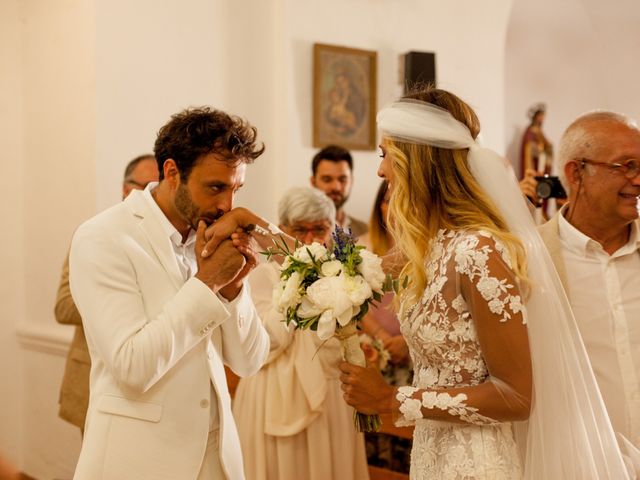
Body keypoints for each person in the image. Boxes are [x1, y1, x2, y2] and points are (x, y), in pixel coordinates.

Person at [336, 87, 631, 479]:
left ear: (417, 159)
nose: (380, 169)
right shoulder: (431, 247)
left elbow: (516, 395)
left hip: (478, 463)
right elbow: (342, 267)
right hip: (433, 454)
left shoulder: (477, 250)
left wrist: (393, 398)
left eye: (385, 153)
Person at [68, 107, 269, 480]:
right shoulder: (104, 237)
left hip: (217, 461)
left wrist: (235, 287)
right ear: (173, 172)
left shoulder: (215, 237)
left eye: (235, 188)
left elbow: (249, 363)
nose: (227, 205)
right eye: (215, 187)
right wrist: (207, 283)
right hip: (139, 461)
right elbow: (132, 367)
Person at [232, 186, 369, 480]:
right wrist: (298, 284)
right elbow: (266, 343)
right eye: (299, 230)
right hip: (270, 391)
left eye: (319, 229)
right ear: (282, 230)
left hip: (330, 392)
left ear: (333, 229)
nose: (309, 240)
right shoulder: (259, 272)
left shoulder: (342, 272)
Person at [538, 111, 640, 468]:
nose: (638, 179)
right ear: (576, 173)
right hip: (578, 464)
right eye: (627, 165)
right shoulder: (529, 259)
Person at [55, 154, 158, 433]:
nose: (155, 194)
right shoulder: (95, 235)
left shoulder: (168, 242)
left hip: (151, 388)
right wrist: (119, 298)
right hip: (93, 378)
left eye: (160, 186)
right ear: (126, 189)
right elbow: (63, 307)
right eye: (148, 185)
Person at [359, 180, 412, 474]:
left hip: (412, 351)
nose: (393, 207)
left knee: (407, 432)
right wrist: (380, 337)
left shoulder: (424, 250)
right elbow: (355, 305)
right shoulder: (363, 247)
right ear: (379, 206)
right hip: (374, 349)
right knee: (376, 433)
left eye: (400, 200)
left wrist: (406, 341)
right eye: (387, 200)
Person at [310, 145, 368, 237]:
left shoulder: (365, 231)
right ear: (313, 182)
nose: (336, 187)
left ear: (351, 181)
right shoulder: (298, 229)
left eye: (342, 179)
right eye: (327, 179)